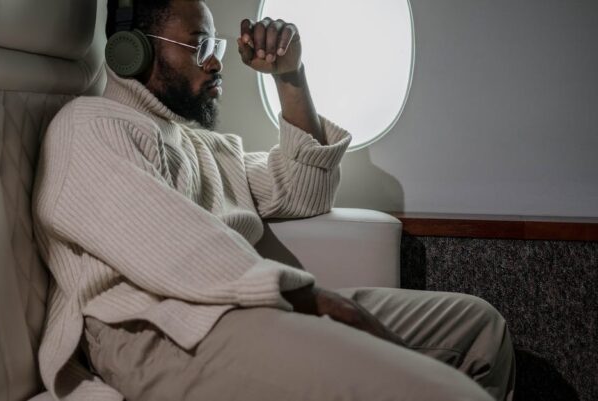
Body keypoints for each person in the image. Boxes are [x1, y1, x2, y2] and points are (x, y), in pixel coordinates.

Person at [32, 1, 515, 400]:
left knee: (479, 328)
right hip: (153, 331)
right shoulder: (89, 128)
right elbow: (173, 245)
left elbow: (306, 190)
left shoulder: (201, 145)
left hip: (242, 308)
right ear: (130, 53)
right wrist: (313, 299)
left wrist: (290, 75)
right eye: (199, 45)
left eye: (214, 45)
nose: (216, 61)